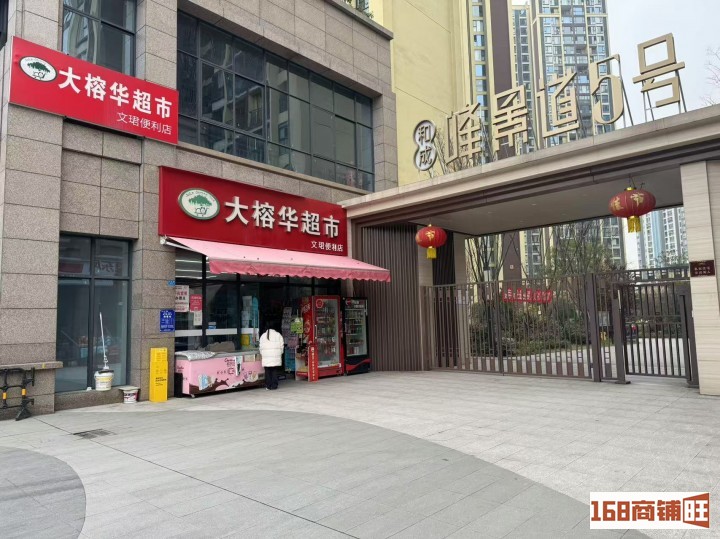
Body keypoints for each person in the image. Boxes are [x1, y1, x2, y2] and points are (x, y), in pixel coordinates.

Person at [259, 323, 284, 390]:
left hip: (266, 357)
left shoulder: (263, 336)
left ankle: (268, 386)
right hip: (275, 356)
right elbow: (281, 346)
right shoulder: (278, 335)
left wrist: (263, 354)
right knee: (274, 370)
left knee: (267, 371)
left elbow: (260, 348)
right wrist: (280, 353)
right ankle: (274, 385)